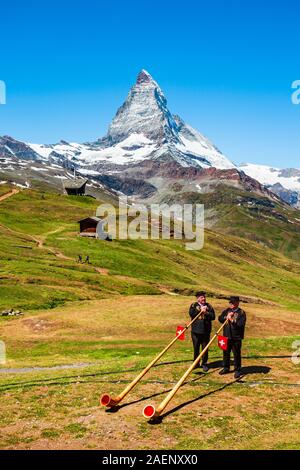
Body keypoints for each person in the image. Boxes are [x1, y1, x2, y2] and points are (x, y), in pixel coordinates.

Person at [218, 296, 246, 379]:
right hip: (226, 336)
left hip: (236, 337)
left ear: (237, 303)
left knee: (236, 354)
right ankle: (226, 367)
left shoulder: (241, 313)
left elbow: (240, 324)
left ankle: (237, 369)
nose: (231, 304)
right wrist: (225, 317)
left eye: (233, 302)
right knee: (226, 353)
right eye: (230, 302)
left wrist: (231, 320)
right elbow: (220, 318)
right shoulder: (227, 310)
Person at [189, 291, 215, 372]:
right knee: (196, 347)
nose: (203, 299)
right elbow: (191, 314)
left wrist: (206, 312)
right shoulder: (193, 305)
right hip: (195, 331)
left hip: (206, 331)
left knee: (205, 348)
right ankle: (196, 363)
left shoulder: (209, 306)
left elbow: (213, 316)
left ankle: (204, 363)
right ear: (198, 298)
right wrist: (200, 310)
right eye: (201, 297)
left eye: (204, 297)